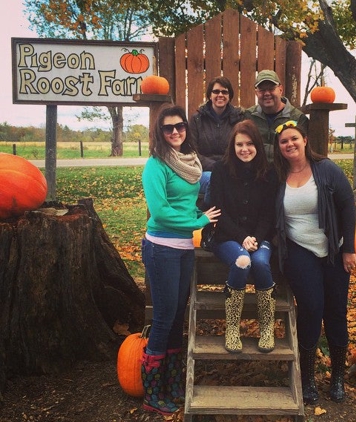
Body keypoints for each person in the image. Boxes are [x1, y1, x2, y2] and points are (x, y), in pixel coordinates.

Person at [141, 104, 221, 415]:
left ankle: (173, 383)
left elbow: (206, 181)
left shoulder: (190, 163)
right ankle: (152, 391)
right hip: (161, 247)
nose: (175, 132)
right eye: (168, 128)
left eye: (180, 126)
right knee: (163, 318)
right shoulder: (156, 165)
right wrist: (198, 222)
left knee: (177, 317)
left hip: (184, 249)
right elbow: (160, 212)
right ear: (159, 133)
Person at [273, 120, 356, 404]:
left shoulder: (327, 170)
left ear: (305, 140)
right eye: (284, 141)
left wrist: (349, 249)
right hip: (299, 250)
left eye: (294, 139)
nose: (290, 144)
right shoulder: (278, 175)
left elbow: (348, 207)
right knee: (311, 308)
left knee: (335, 311)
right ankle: (307, 378)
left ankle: (337, 378)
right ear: (279, 147)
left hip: (334, 249)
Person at [209, 119, 278, 354]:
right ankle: (232, 328)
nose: (244, 149)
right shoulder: (220, 170)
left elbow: (268, 214)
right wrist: (242, 238)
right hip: (226, 236)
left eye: (249, 144)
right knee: (242, 261)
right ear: (233, 146)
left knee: (259, 261)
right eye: (239, 144)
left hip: (260, 236)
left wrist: (255, 239)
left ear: (257, 145)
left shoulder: (269, 174)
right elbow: (218, 211)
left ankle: (266, 327)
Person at [189, 76, 244, 204]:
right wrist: (216, 167)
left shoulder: (239, 118)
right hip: (203, 171)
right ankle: (211, 218)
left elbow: (242, 147)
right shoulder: (197, 119)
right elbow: (192, 151)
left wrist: (227, 167)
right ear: (209, 95)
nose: (220, 95)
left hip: (231, 170)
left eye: (224, 92)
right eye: (216, 91)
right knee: (212, 180)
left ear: (229, 96)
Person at [244, 69, 309, 161]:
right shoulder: (248, 116)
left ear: (280, 89)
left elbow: (304, 151)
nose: (267, 93)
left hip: (286, 170)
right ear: (256, 93)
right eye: (262, 90)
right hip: (255, 171)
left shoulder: (298, 118)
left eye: (271, 89)